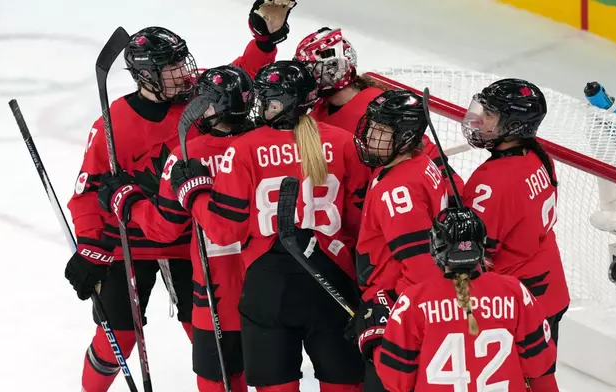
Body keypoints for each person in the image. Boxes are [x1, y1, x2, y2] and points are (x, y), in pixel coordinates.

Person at [64, 5, 294, 389]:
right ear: (146, 76)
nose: (185, 73)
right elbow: (87, 192)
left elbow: (241, 75)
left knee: (207, 332)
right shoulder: (112, 124)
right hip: (130, 244)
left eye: (183, 63)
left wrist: (265, 38)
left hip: (190, 239)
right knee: (117, 337)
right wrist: (90, 249)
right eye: (171, 68)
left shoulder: (197, 96)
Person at [170, 60, 371, 392]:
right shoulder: (344, 143)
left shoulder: (244, 149)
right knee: (345, 385)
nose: (261, 106)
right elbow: (360, 222)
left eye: (269, 99)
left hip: (268, 287)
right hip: (333, 278)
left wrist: (194, 195)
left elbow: (225, 230)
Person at [118, 65, 255, 392]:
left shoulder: (187, 155)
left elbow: (163, 229)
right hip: (271, 282)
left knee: (218, 379)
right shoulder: (269, 143)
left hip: (217, 290)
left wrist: (129, 202)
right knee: (273, 375)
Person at [367, 207, 559, 392]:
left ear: (436, 248)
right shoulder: (514, 292)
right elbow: (539, 364)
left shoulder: (413, 301)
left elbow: (396, 381)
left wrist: (374, 343)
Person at [351, 89, 450, 391]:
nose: (369, 136)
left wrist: (388, 305)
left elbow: (422, 269)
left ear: (405, 137)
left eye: (381, 130)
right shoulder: (419, 163)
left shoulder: (398, 189)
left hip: (398, 311)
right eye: (370, 126)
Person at [460, 78, 570, 350]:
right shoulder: (540, 158)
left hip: (515, 304)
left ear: (513, 126)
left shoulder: (492, 182)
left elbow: (474, 252)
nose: (478, 120)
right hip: (549, 289)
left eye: (489, 115)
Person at [293, 27, 463, 198]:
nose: (303, 79)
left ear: (333, 71)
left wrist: (456, 197)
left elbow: (423, 153)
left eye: (310, 71)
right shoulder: (316, 111)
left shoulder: (380, 108)